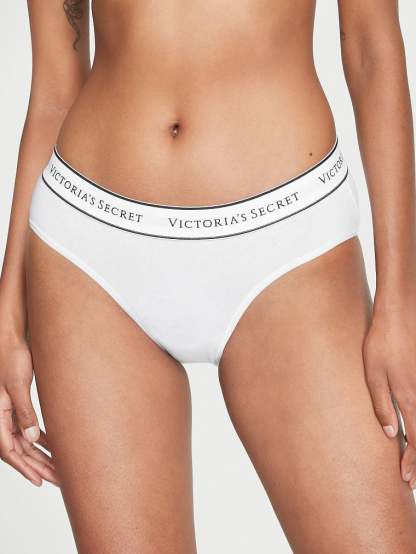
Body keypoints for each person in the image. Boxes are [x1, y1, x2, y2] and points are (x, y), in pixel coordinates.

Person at [1, 0, 416, 552]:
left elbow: (371, 49)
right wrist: (8, 315)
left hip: (288, 246)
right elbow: (55, 85)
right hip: (87, 252)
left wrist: (400, 304)